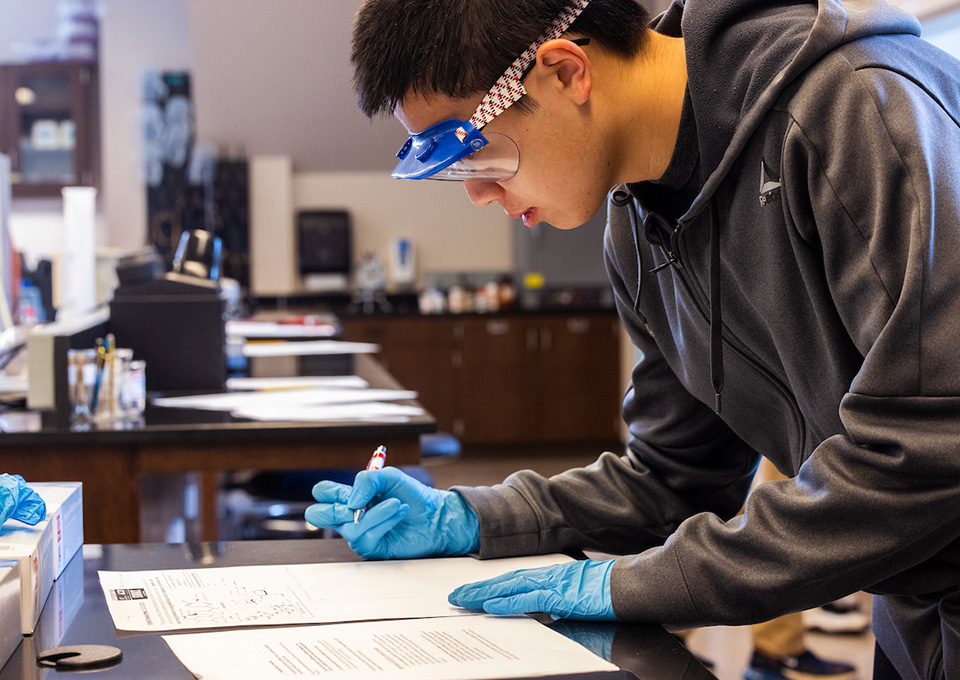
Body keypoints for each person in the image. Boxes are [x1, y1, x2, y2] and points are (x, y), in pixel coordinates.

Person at [305, 1, 960, 678]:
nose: (478, 195)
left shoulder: (860, 109)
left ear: (565, 72)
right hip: (916, 613)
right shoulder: (639, 225)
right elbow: (677, 478)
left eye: (474, 151)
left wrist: (631, 584)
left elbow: (934, 446)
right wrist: (472, 517)